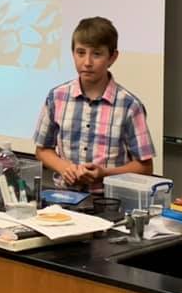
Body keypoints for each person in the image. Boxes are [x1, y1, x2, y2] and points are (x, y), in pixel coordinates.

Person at [33, 16, 155, 193]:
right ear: (73, 53)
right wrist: (65, 167)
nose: (87, 62)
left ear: (112, 57)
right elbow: (42, 150)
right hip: (64, 198)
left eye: (96, 54)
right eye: (80, 53)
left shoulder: (129, 106)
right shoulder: (57, 97)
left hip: (110, 202)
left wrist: (105, 173)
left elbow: (145, 167)